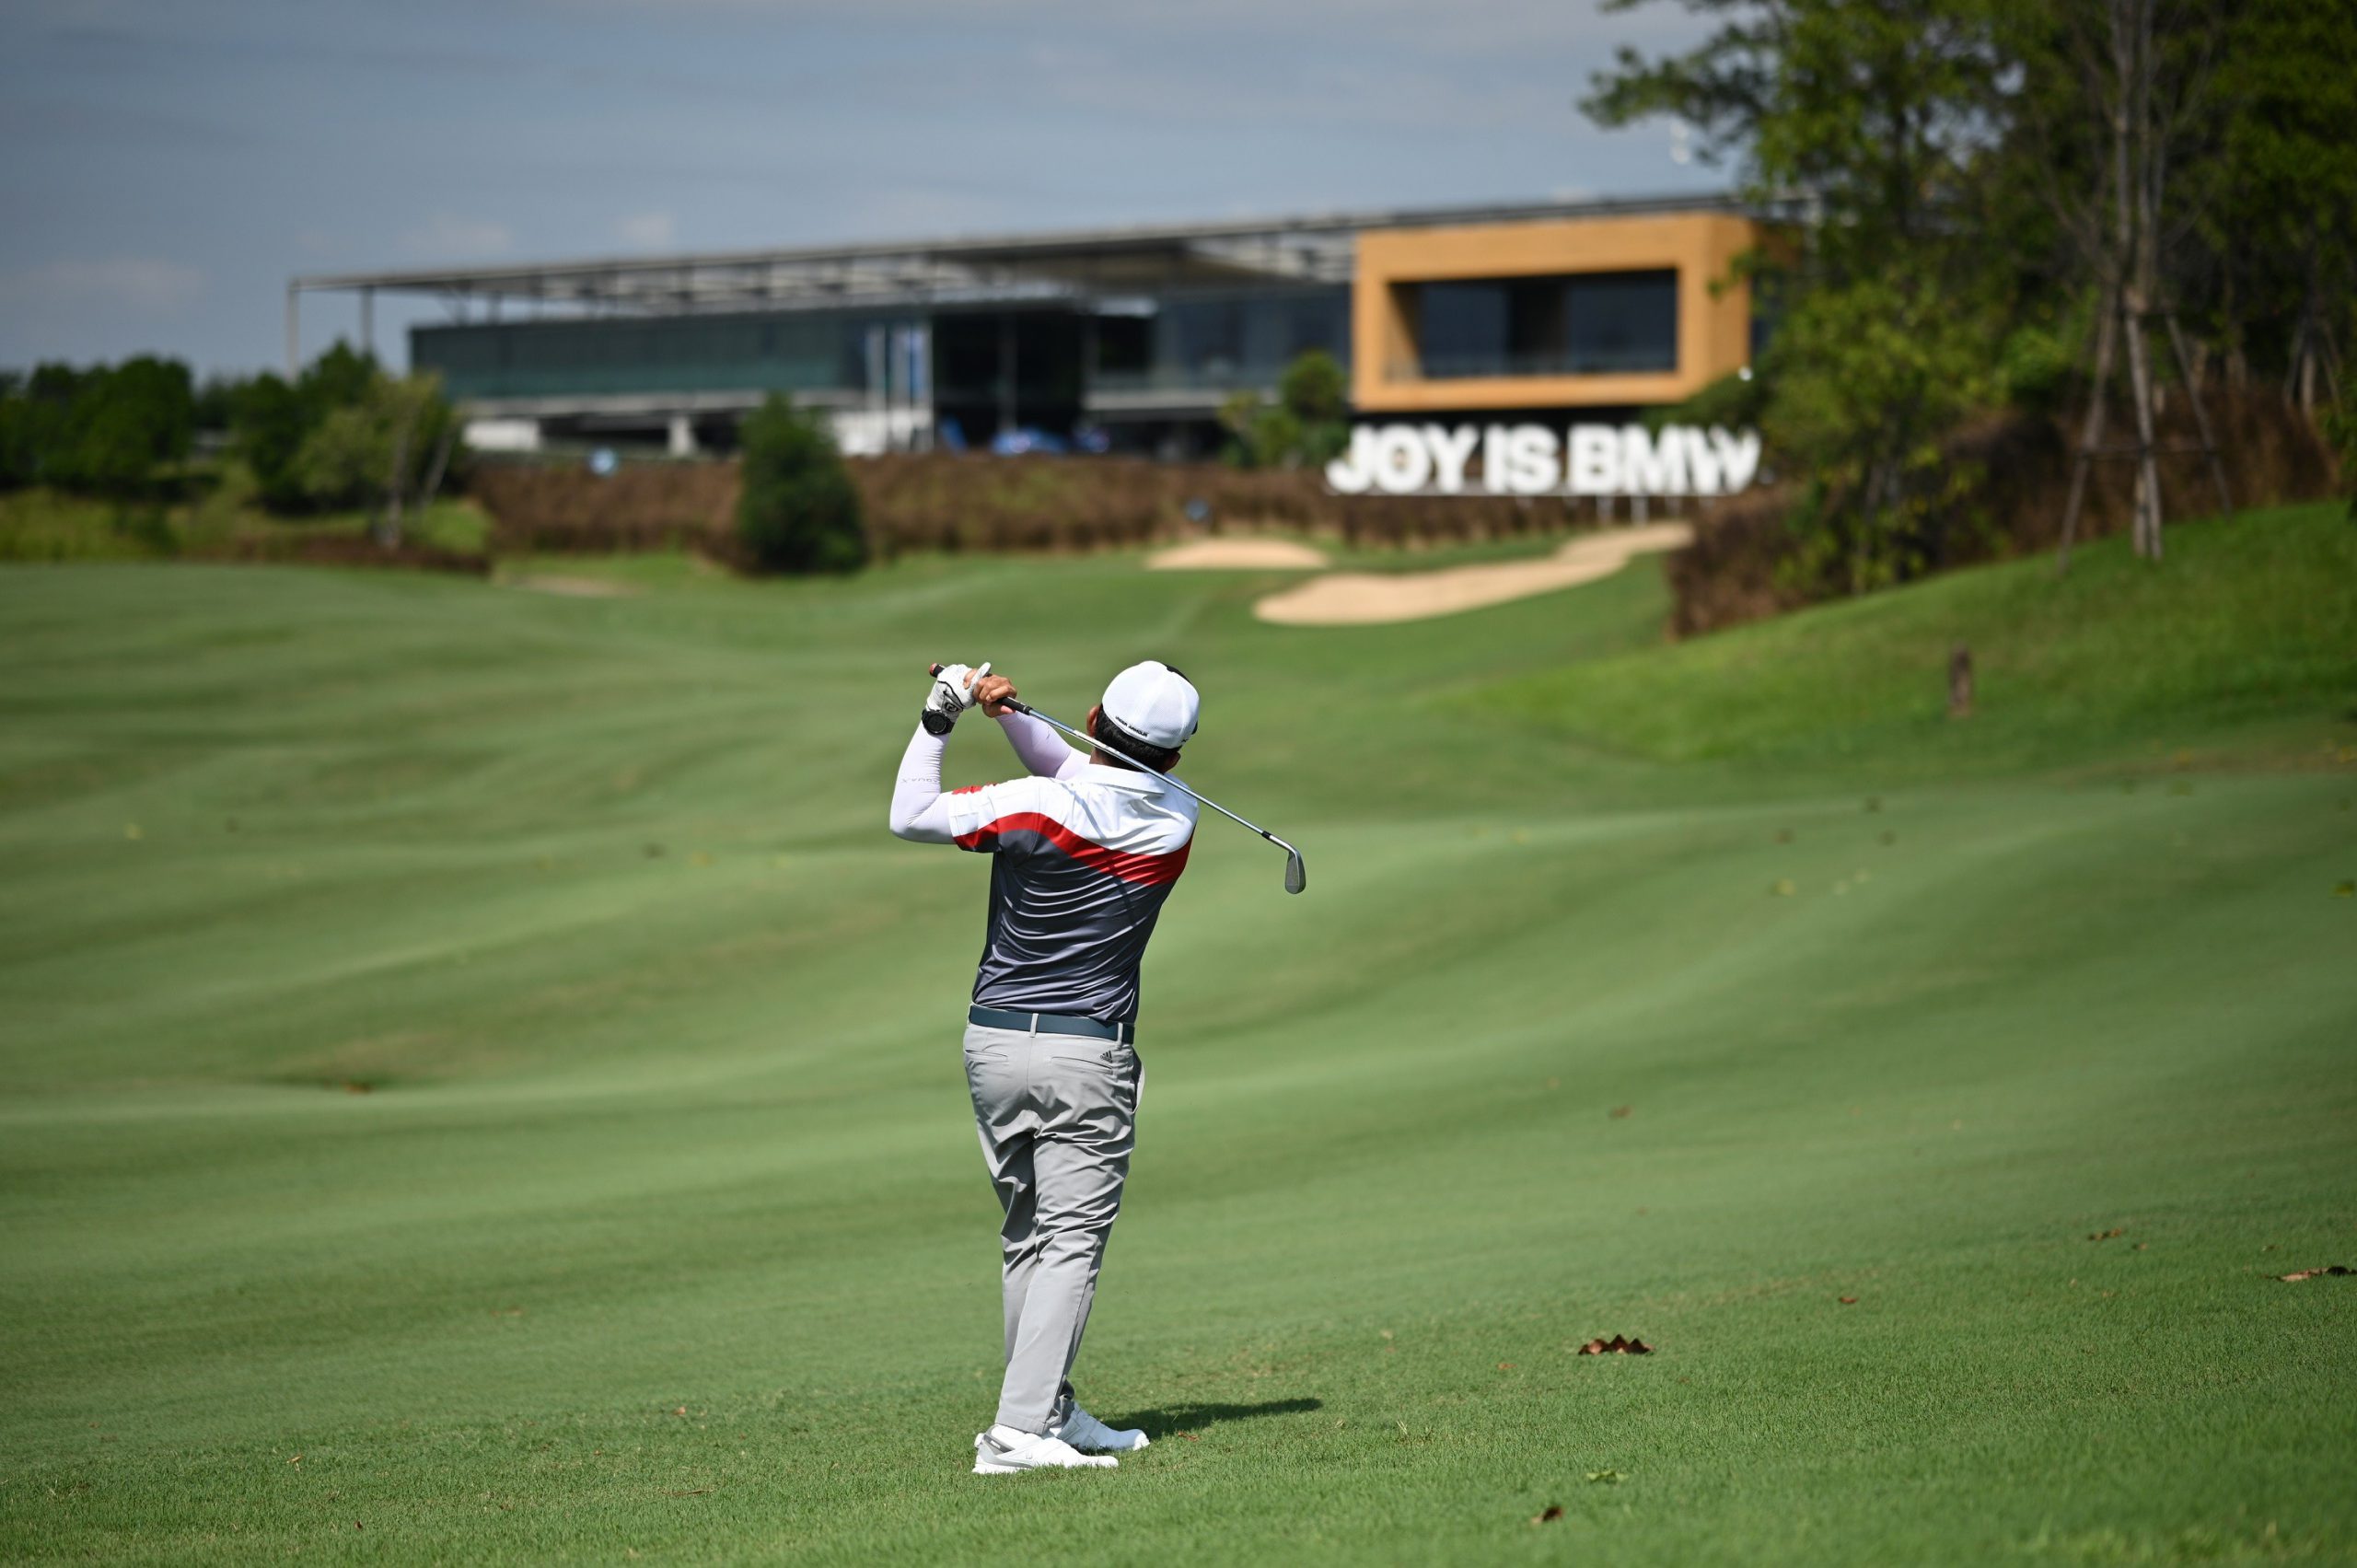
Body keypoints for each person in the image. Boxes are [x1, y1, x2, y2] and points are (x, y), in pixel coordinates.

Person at [888, 658, 1202, 1475]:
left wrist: (942, 715)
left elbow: (910, 812)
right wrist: (1006, 716)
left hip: (993, 1042)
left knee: (1031, 1232)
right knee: (1072, 1237)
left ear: (1093, 718)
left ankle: (1047, 1408)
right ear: (1174, 758)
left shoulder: (1036, 804)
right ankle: (1017, 1432)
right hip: (1085, 1052)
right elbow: (1079, 771)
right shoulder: (1176, 817)